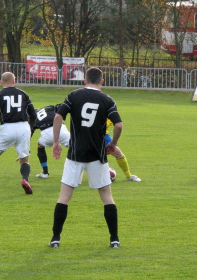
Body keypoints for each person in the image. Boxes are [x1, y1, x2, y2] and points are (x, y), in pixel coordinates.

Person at [49, 67, 121, 249]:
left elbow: (58, 117)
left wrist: (56, 141)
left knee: (64, 196)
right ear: (102, 81)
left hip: (75, 155)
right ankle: (114, 239)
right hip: (97, 156)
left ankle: (55, 238)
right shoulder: (107, 99)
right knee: (107, 196)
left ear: (84, 80)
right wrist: (113, 143)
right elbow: (118, 125)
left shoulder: (73, 95)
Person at [33, 104, 71, 179]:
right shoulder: (48, 107)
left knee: (40, 145)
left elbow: (29, 134)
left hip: (48, 134)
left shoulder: (33, 118)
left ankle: (45, 173)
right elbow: (61, 107)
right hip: (61, 129)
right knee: (76, 147)